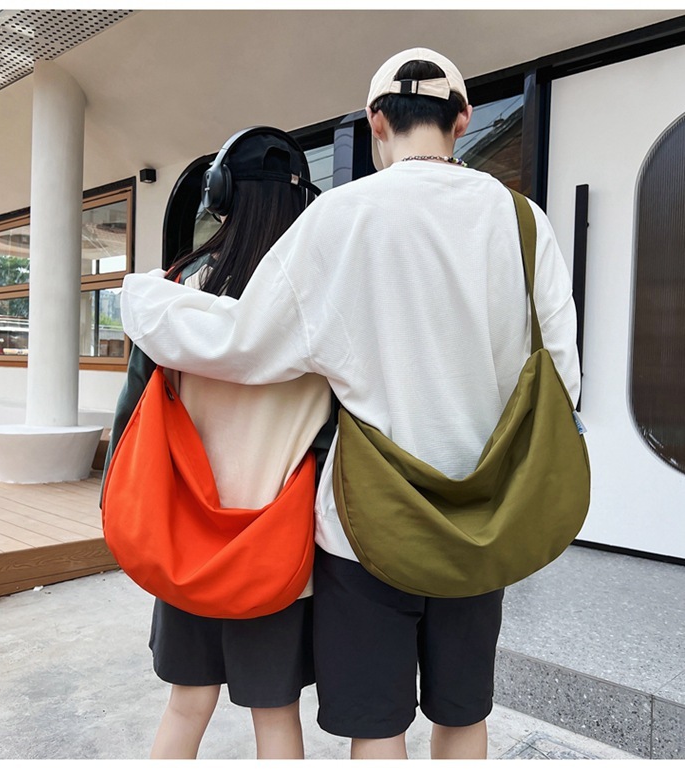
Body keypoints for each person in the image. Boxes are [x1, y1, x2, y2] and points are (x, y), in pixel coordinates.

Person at [120, 48, 581, 760]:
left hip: (368, 530)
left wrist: (144, 298)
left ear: (376, 122)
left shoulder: (340, 216)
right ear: (462, 119)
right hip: (486, 523)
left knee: (378, 727)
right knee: (464, 717)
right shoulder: (524, 221)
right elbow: (563, 380)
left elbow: (244, 340)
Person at [105, 126, 331, 759]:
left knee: (187, 704)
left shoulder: (172, 297)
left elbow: (132, 419)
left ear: (220, 195)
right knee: (275, 716)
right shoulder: (321, 306)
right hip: (278, 546)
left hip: (185, 538)